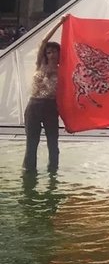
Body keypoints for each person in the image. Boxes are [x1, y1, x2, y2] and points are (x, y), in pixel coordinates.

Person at [23, 20, 65, 172]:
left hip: (51, 107)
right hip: (34, 105)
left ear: (59, 53)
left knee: (53, 144)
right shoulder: (40, 64)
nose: (52, 54)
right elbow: (43, 41)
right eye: (49, 52)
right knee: (31, 143)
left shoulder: (63, 70)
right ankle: (29, 172)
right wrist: (60, 22)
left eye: (54, 51)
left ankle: (53, 171)